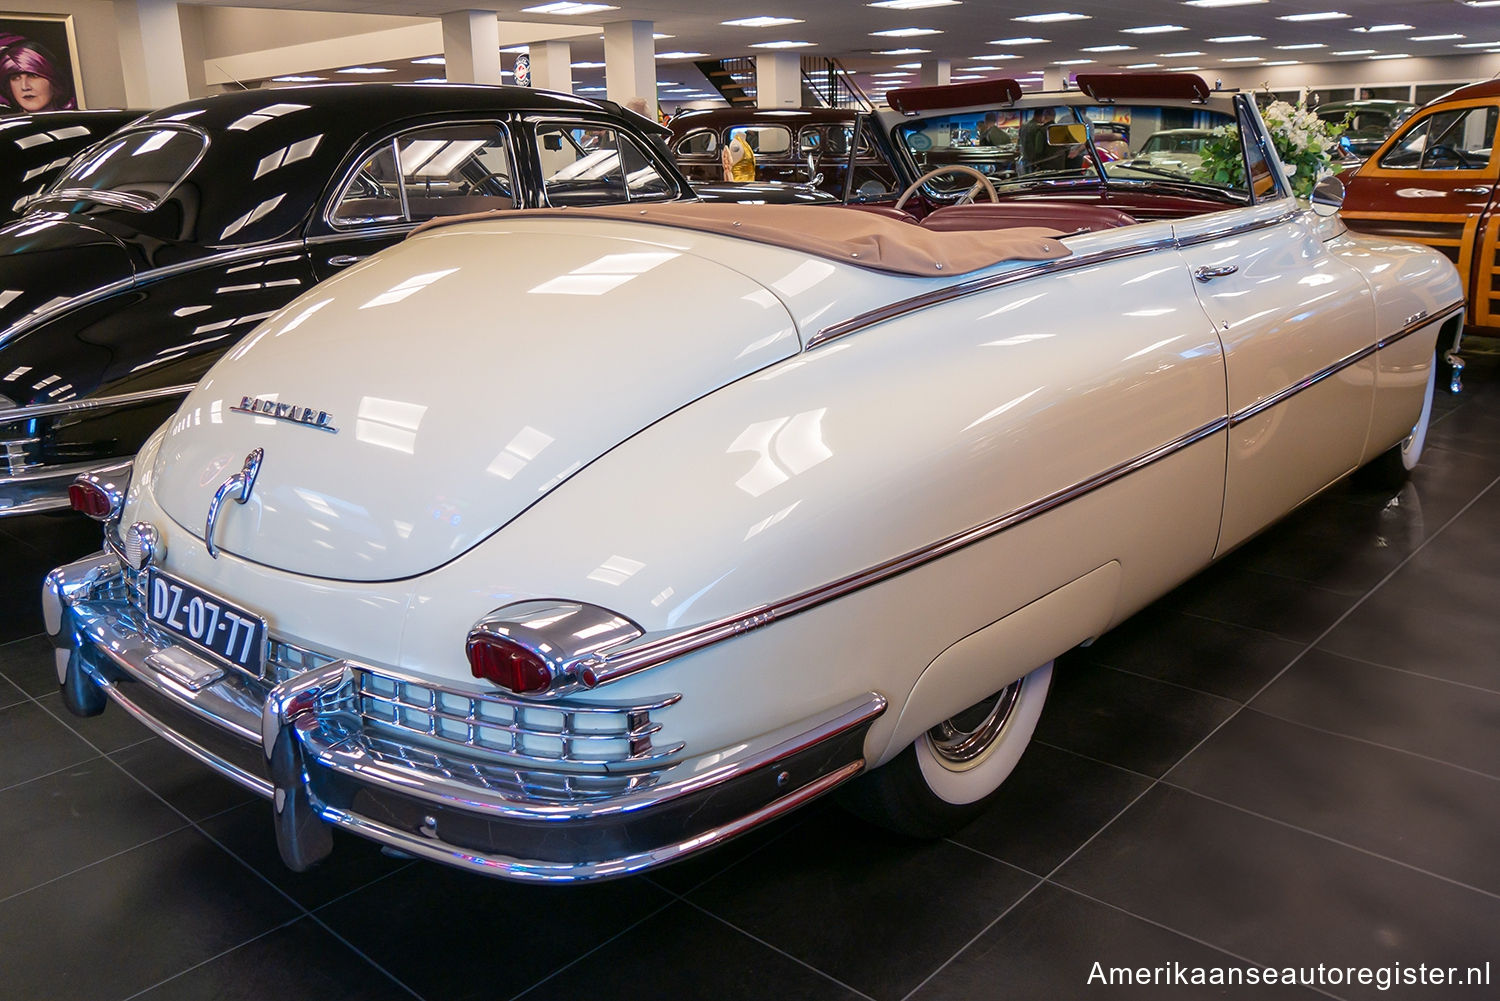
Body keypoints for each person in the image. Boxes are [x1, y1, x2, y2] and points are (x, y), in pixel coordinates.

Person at [0, 39, 75, 112]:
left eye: (33, 76)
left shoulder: (78, 123)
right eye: (15, 78)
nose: (24, 87)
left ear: (53, 80)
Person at [1018, 107, 1060, 173]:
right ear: (1042, 116)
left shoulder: (1023, 126)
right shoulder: (1038, 128)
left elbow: (1019, 141)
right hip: (1034, 161)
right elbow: (1039, 149)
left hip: (1025, 159)